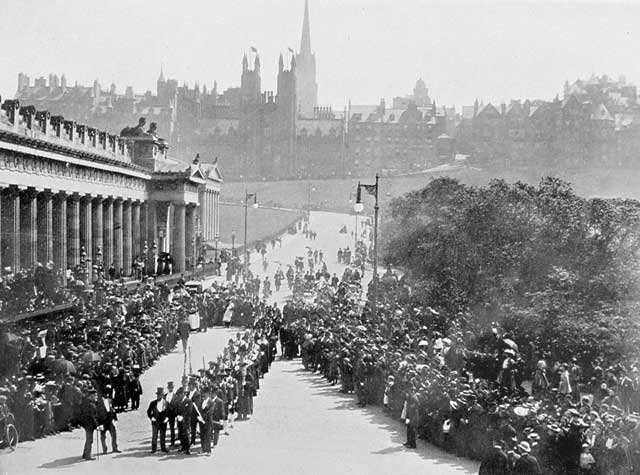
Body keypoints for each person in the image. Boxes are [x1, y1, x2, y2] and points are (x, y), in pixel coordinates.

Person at [97, 385, 120, 454]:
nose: (107, 395)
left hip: (110, 420)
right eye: (105, 394)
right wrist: (99, 424)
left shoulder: (110, 400)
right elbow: (97, 414)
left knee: (114, 434)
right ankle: (104, 449)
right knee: (103, 436)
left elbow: (113, 410)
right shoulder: (99, 403)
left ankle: (115, 448)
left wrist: (115, 418)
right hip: (103, 421)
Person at [79, 389, 99, 461]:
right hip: (89, 424)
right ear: (91, 396)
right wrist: (97, 425)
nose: (96, 397)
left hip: (85, 423)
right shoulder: (91, 405)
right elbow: (92, 417)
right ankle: (87, 456)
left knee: (88, 439)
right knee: (89, 440)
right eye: (95, 396)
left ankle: (85, 454)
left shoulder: (85, 402)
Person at [147, 387, 168, 454]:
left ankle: (163, 448)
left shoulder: (166, 403)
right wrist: (151, 417)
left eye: (161, 395)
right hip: (155, 422)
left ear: (163, 395)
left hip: (163, 422)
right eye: (158, 395)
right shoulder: (153, 403)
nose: (159, 396)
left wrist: (167, 418)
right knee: (154, 436)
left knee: (162, 435)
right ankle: (154, 449)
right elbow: (148, 411)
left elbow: (169, 412)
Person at [175, 387, 191, 454]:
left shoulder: (188, 401)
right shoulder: (178, 401)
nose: (180, 395)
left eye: (181, 394)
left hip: (186, 421)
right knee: (180, 433)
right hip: (179, 420)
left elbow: (189, 411)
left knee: (186, 434)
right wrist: (177, 415)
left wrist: (183, 417)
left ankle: (187, 448)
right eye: (179, 394)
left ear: (184, 394)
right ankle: (183, 446)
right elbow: (175, 409)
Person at [199, 387, 214, 455]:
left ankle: (208, 451)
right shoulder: (201, 401)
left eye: (205, 393)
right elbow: (199, 410)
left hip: (207, 422)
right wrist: (199, 417)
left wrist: (203, 418)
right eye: (203, 393)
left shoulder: (211, 402)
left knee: (207, 436)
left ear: (208, 394)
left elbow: (210, 412)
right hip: (201, 422)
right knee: (202, 436)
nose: (203, 395)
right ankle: (203, 449)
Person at [165, 381, 178, 447]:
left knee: (172, 428)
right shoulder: (165, 396)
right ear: (168, 388)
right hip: (165, 415)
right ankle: (163, 443)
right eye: (170, 387)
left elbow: (176, 406)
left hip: (172, 415)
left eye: (172, 387)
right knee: (163, 428)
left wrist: (173, 412)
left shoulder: (176, 396)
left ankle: (172, 442)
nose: (171, 388)